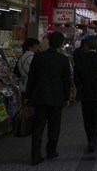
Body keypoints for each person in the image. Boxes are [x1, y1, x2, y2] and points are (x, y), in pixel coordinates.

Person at [26, 32, 71, 166]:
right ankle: (51, 151)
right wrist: (67, 97)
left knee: (38, 127)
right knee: (54, 126)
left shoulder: (38, 57)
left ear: (49, 42)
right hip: (57, 98)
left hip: (40, 97)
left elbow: (31, 78)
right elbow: (66, 81)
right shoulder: (63, 59)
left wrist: (28, 96)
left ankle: (35, 155)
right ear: (61, 43)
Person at [73, 35, 97, 152]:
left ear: (87, 46)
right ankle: (93, 139)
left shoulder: (80, 59)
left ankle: (90, 138)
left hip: (85, 93)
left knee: (87, 117)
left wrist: (79, 88)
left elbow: (76, 77)